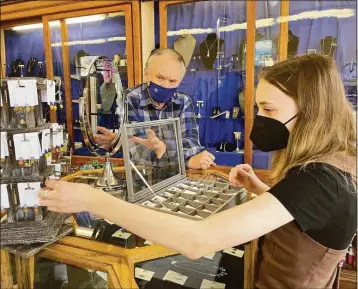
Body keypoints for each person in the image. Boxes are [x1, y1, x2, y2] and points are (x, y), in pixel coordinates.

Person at [39, 54, 356, 288]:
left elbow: (197, 239)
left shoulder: (320, 180)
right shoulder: (331, 166)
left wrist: (95, 201)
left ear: (312, 113)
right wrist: (261, 189)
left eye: (269, 110)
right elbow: (302, 214)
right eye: (257, 108)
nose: (259, 119)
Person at [93, 48, 216, 170]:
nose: (165, 85)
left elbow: (193, 144)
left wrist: (163, 148)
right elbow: (138, 153)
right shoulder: (130, 99)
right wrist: (187, 161)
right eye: (160, 78)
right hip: (142, 180)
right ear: (146, 74)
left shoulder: (183, 101)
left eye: (173, 81)